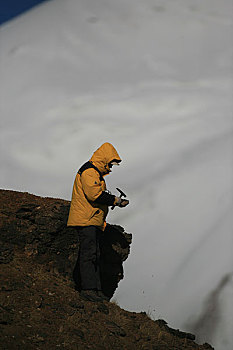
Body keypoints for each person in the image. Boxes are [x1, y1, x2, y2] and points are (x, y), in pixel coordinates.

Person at [67, 142, 129, 301]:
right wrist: (115, 200)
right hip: (86, 220)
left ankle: (95, 290)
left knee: (94, 254)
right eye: (110, 164)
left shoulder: (93, 172)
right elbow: (94, 195)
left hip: (91, 219)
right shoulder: (89, 172)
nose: (111, 167)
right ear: (105, 160)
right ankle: (88, 290)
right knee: (89, 255)